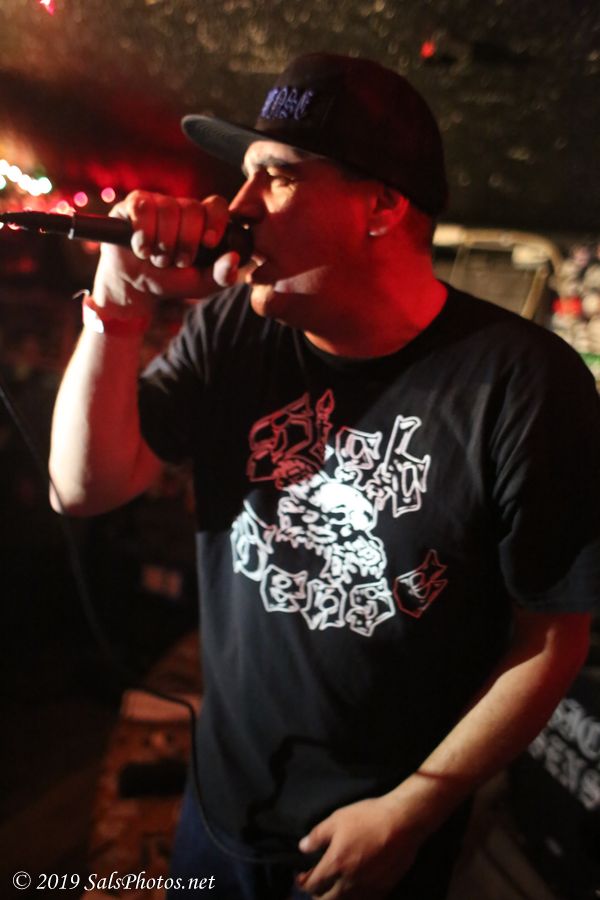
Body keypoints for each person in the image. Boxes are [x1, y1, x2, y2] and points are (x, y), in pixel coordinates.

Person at [49, 53, 600, 899]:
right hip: (219, 810)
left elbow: (552, 639)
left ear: (381, 205)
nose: (236, 206)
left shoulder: (523, 383)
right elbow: (81, 487)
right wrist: (119, 309)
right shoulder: (235, 330)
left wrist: (413, 810)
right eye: (242, 176)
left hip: (379, 837)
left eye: (275, 176)